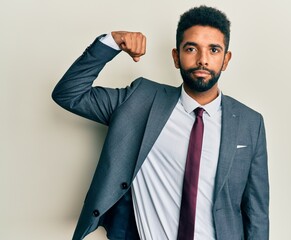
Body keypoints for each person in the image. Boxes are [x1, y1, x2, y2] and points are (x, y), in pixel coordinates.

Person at [52, 5, 269, 240]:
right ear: (176, 57)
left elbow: (256, 211)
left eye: (214, 50)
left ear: (226, 60)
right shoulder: (140, 101)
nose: (202, 60)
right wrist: (112, 42)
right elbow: (69, 94)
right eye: (191, 48)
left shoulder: (250, 123)